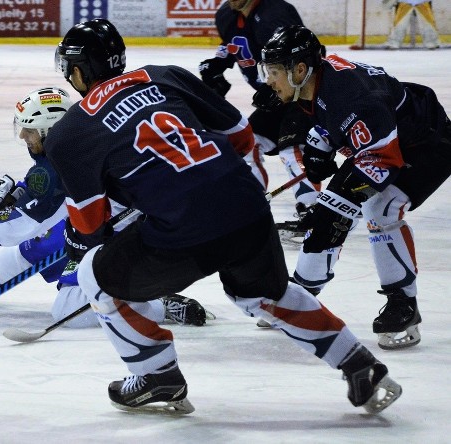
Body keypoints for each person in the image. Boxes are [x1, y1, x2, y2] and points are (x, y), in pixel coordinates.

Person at [45, 18, 401, 414]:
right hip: (245, 205)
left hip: (181, 234)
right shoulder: (165, 76)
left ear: (77, 71)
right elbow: (242, 136)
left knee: (93, 274)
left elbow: (91, 226)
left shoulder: (69, 133)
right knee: (266, 295)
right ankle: (360, 366)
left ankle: (156, 375)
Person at [0, 87, 212, 328]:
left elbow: (16, 226)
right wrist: (14, 197)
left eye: (30, 131)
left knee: (70, 312)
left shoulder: (60, 164)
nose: (23, 137)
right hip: (92, 225)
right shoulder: (70, 145)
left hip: (111, 237)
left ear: (49, 130)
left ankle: (161, 306)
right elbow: (40, 206)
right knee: (25, 252)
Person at [258, 25, 451, 349]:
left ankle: (403, 304)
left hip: (427, 144)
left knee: (379, 208)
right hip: (387, 135)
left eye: (274, 72)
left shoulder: (352, 97)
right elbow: (331, 120)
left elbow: (382, 157)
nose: (268, 80)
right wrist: (319, 153)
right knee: (332, 213)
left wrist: (335, 204)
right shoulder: (317, 81)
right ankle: (301, 297)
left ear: (299, 69)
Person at [199, 0, 320, 234]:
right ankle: (251, 209)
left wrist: (275, 87)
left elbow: (306, 55)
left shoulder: (275, 14)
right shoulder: (226, 15)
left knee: (291, 149)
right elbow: (234, 43)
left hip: (301, 94)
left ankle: (313, 211)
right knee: (247, 144)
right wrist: (217, 63)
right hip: (275, 97)